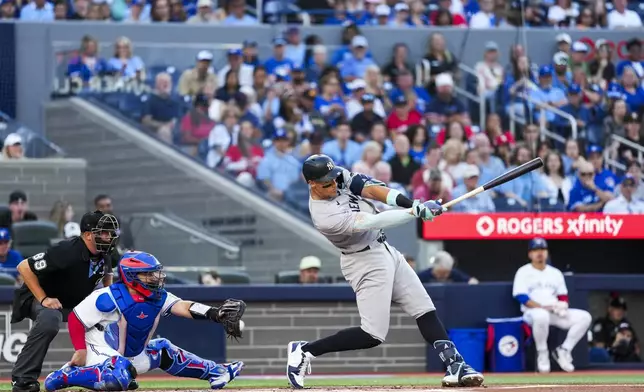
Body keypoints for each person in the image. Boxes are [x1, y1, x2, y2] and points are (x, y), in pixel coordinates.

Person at [287, 154, 484, 389]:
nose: (334, 184)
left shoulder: (336, 177)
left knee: (424, 309)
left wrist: (413, 204)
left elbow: (373, 190)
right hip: (363, 260)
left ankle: (456, 364)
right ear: (312, 184)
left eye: (333, 178)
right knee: (372, 335)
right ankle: (305, 350)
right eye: (327, 183)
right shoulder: (325, 217)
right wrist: (415, 213)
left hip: (385, 249)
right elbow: (373, 221)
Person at [43, 251, 245, 391]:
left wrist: (215, 313)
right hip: (99, 350)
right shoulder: (108, 295)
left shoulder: (158, 296)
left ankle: (217, 372)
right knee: (117, 375)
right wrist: (81, 350)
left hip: (130, 356)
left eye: (155, 272)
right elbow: (75, 319)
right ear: (132, 276)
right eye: (148, 274)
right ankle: (65, 375)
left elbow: (183, 306)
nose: (156, 277)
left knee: (163, 349)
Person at [10, 211, 120, 392]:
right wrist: (44, 299)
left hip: (74, 302)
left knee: (112, 315)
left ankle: (113, 370)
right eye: (103, 232)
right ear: (87, 235)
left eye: (110, 233)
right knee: (50, 319)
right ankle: (23, 379)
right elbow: (23, 267)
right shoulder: (66, 251)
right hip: (40, 296)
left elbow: (108, 273)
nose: (109, 237)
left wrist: (108, 302)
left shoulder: (108, 252)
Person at [512, 238, 592, 374]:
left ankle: (564, 350)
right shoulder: (523, 272)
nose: (539, 253)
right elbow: (521, 297)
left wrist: (562, 306)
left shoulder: (555, 273)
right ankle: (542, 353)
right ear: (530, 254)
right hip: (532, 314)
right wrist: (543, 307)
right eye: (536, 250)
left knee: (584, 317)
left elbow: (563, 296)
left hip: (553, 312)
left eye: (542, 250)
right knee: (541, 315)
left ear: (547, 252)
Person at [590, 296, 640, 363]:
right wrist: (614, 345)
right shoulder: (601, 324)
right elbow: (599, 349)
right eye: (617, 309)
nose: (620, 312)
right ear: (610, 309)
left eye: (622, 309)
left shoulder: (626, 324)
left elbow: (636, 347)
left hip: (629, 361)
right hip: (610, 362)